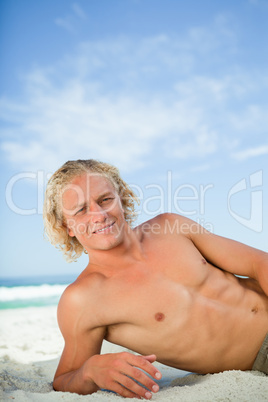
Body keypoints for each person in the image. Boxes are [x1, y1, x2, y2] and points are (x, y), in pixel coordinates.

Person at [43, 159, 268, 399]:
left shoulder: (169, 226)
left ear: (121, 198)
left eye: (105, 200)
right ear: (67, 226)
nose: (99, 215)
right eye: (81, 210)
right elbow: (64, 378)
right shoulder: (82, 299)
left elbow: (258, 263)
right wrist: (89, 371)